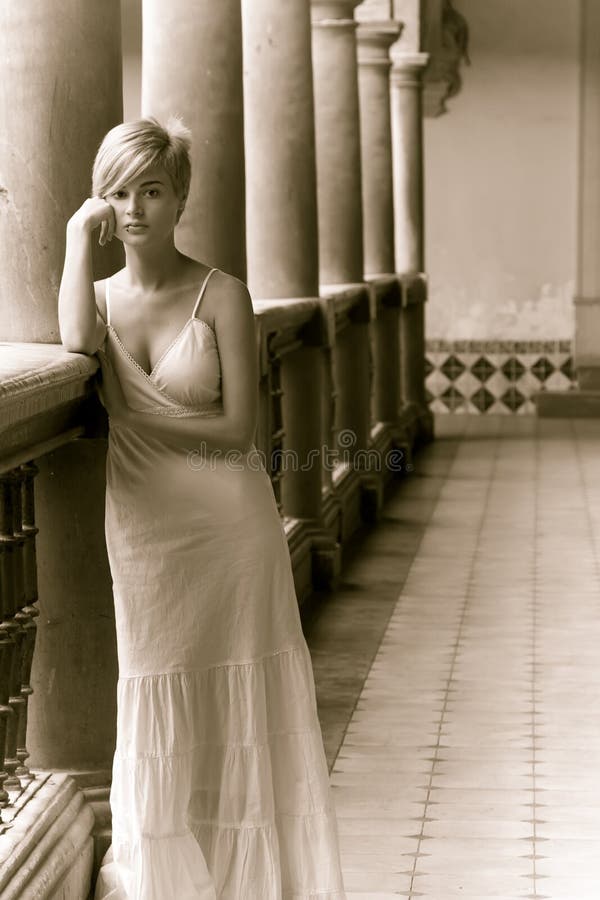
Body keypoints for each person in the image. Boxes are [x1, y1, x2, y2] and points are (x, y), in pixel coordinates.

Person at [58, 117, 346, 900]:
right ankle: (165, 880)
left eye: (152, 190)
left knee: (239, 703)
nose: (136, 208)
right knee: (156, 681)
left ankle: (249, 881)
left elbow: (236, 430)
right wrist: (81, 236)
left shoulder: (224, 294)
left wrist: (132, 417)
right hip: (146, 530)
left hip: (230, 527)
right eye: (119, 193)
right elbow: (75, 339)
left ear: (181, 197)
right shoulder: (100, 296)